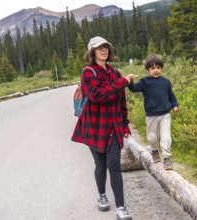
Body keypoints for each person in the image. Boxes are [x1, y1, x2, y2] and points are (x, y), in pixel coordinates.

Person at [71, 36, 136, 220]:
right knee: (100, 165)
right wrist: (123, 82)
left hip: (114, 126)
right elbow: (98, 95)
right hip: (95, 126)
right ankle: (101, 195)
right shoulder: (88, 72)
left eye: (106, 47)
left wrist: (125, 124)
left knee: (114, 165)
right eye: (100, 48)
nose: (104, 50)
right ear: (92, 52)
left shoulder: (115, 73)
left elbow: (122, 101)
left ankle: (121, 208)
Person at [128, 54, 179, 170]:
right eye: (153, 68)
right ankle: (155, 151)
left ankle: (167, 158)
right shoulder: (144, 82)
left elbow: (171, 96)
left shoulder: (166, 82)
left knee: (166, 136)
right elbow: (134, 89)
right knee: (152, 137)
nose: (156, 70)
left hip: (165, 114)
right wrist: (130, 81)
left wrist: (175, 105)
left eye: (158, 68)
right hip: (151, 115)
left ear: (161, 68)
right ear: (148, 70)